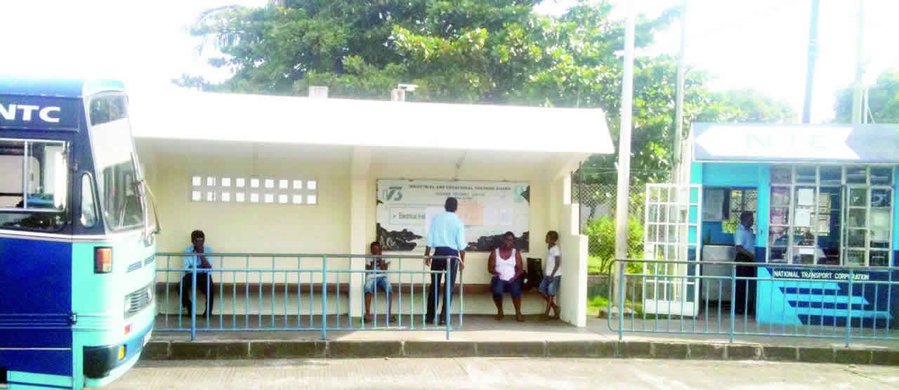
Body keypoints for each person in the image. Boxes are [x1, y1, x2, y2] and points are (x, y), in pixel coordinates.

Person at [424, 197, 466, 326]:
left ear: (445, 206)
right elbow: (461, 246)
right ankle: (443, 318)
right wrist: (462, 261)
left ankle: (430, 317)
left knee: (434, 286)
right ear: (456, 207)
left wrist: (427, 255)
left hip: (438, 254)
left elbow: (430, 239)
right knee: (449, 287)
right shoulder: (458, 222)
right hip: (452, 257)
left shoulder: (437, 219)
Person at [488, 231, 525, 322]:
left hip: (513, 278)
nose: (509, 242)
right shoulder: (495, 252)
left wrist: (515, 277)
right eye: (507, 240)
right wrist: (497, 273)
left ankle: (518, 312)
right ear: (503, 240)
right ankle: (500, 311)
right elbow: (490, 268)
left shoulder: (515, 253)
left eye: (511, 240)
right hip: (499, 278)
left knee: (516, 291)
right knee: (497, 291)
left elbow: (520, 269)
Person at [181, 230, 215, 316]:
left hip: (205, 275)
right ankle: (189, 305)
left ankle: (208, 312)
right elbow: (186, 268)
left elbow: (208, 268)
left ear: (204, 240)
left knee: (210, 289)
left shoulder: (209, 250)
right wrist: (200, 267)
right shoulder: (187, 251)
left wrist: (201, 254)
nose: (199, 243)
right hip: (191, 275)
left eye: (201, 240)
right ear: (192, 241)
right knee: (180, 286)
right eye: (197, 241)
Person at [364, 241, 393, 323]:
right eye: (373, 250)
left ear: (380, 250)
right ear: (371, 251)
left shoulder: (386, 257)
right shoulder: (368, 258)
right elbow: (368, 269)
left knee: (389, 288)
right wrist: (373, 260)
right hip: (371, 277)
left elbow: (384, 269)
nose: (375, 252)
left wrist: (380, 259)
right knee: (367, 288)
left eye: (377, 250)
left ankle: (389, 314)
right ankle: (367, 314)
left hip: (382, 276)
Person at [733, 211, 756, 316]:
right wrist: (751, 256)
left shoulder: (749, 231)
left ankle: (747, 307)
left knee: (748, 284)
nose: (753, 221)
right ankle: (739, 308)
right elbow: (738, 247)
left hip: (750, 259)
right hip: (743, 259)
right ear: (745, 219)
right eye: (751, 219)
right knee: (741, 285)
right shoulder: (739, 231)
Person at [538, 231, 561, 320]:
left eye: (547, 237)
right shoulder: (550, 247)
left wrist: (552, 275)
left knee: (551, 293)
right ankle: (555, 307)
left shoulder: (556, 249)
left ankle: (546, 314)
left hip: (554, 275)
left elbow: (557, 263)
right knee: (541, 290)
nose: (545, 238)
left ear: (552, 240)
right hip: (547, 275)